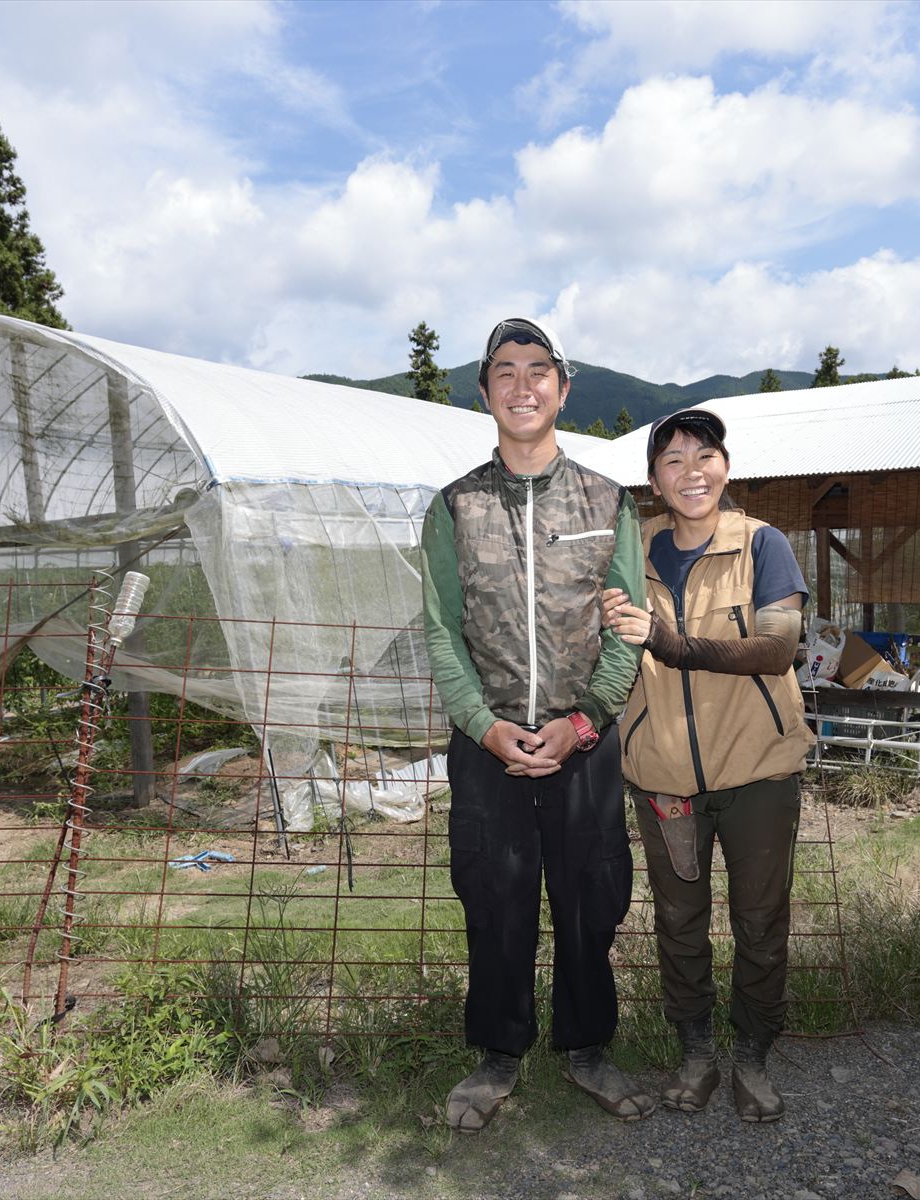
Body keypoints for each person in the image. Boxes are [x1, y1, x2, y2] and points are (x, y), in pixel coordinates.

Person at [421, 317, 654, 1132]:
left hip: (582, 744)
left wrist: (585, 722)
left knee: (593, 897)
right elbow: (441, 632)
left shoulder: (607, 499)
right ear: (484, 393)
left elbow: (628, 627)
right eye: (505, 372)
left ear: (562, 387)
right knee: (495, 898)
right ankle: (497, 1054)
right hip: (487, 747)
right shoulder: (456, 506)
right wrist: (483, 727)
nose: (523, 386)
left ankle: (587, 1048)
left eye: (538, 371)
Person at [601, 408, 813, 1123]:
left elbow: (776, 648)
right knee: (679, 923)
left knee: (760, 921)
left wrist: (669, 641)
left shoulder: (763, 545)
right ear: (654, 480)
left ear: (725, 467)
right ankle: (696, 1054)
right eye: (672, 460)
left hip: (758, 772)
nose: (691, 471)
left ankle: (753, 1056)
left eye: (704, 455)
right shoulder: (630, 555)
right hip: (663, 777)